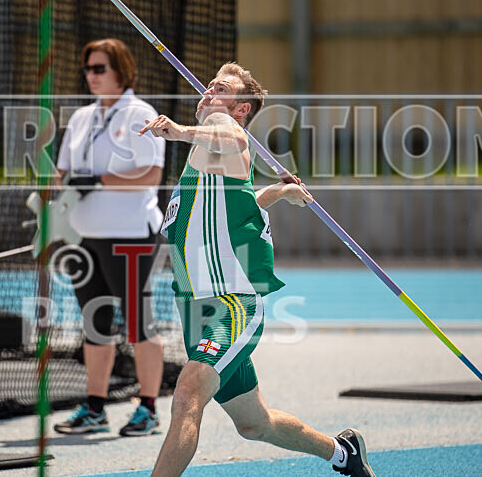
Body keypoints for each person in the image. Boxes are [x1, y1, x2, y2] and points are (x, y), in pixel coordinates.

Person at [139, 62, 375, 476]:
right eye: (209, 84)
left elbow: (229, 135)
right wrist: (280, 192)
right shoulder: (209, 159)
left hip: (230, 305)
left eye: (221, 87)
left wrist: (177, 131)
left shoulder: (222, 128)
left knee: (188, 391)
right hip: (195, 309)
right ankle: (343, 453)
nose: (209, 90)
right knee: (254, 423)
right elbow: (240, 204)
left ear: (242, 109)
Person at [53, 39, 165, 436]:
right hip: (85, 237)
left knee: (139, 324)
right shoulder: (81, 118)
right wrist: (52, 206)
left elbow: (151, 174)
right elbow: (61, 173)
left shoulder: (140, 113)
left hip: (131, 236)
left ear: (122, 71)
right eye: (88, 69)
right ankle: (95, 408)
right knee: (94, 324)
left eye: (99, 68)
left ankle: (148, 408)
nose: (91, 75)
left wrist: (99, 179)